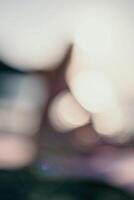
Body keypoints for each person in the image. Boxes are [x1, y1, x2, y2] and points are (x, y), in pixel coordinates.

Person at [0, 0, 134, 168]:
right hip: (44, 140)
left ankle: (108, 142)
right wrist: (92, 121)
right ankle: (111, 143)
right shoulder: (59, 79)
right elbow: (79, 106)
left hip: (38, 137)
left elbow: (37, 75)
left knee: (84, 135)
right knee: (87, 138)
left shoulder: (49, 75)